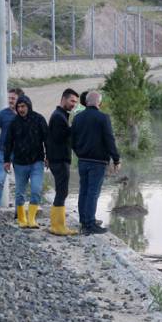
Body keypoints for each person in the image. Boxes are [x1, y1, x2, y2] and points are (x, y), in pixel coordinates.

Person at [70, 90, 120, 235]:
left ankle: (84, 221)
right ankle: (90, 224)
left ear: (86, 102)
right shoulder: (103, 118)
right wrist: (116, 159)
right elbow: (109, 139)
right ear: (99, 103)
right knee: (93, 192)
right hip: (98, 162)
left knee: (84, 191)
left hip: (82, 160)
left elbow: (72, 140)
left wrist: (79, 153)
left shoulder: (78, 118)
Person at [3, 94, 48, 229]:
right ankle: (21, 219)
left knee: (36, 190)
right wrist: (6, 160)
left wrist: (49, 156)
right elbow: (8, 142)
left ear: (28, 106)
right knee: (19, 193)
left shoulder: (39, 119)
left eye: (23, 106)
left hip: (37, 162)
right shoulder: (14, 123)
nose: (21, 109)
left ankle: (32, 219)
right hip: (19, 163)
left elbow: (47, 139)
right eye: (19, 107)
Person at [46, 88, 80, 236]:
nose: (74, 104)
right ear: (63, 99)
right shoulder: (59, 117)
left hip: (58, 159)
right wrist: (73, 127)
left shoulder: (61, 115)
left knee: (62, 191)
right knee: (62, 192)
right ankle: (58, 226)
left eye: (76, 102)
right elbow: (59, 138)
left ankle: (56, 225)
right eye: (72, 101)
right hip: (59, 160)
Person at [0, 87, 23, 214]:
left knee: (20, 183)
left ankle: (18, 211)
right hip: (4, 152)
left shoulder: (25, 115)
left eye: (13, 98)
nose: (10, 100)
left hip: (20, 154)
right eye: (9, 98)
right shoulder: (2, 114)